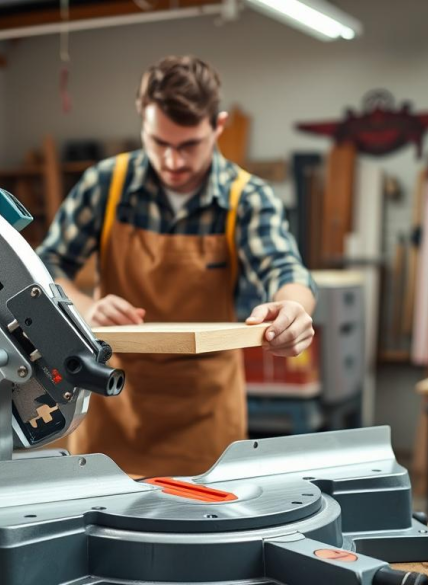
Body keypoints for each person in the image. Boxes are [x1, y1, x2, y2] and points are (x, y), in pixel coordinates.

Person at [37, 55, 315, 478]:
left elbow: (285, 269)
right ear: (142, 122)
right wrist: (86, 307)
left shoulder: (246, 198)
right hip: (111, 403)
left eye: (189, 145)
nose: (172, 161)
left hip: (204, 417)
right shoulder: (105, 184)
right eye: (158, 142)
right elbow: (46, 265)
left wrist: (294, 309)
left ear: (218, 126)